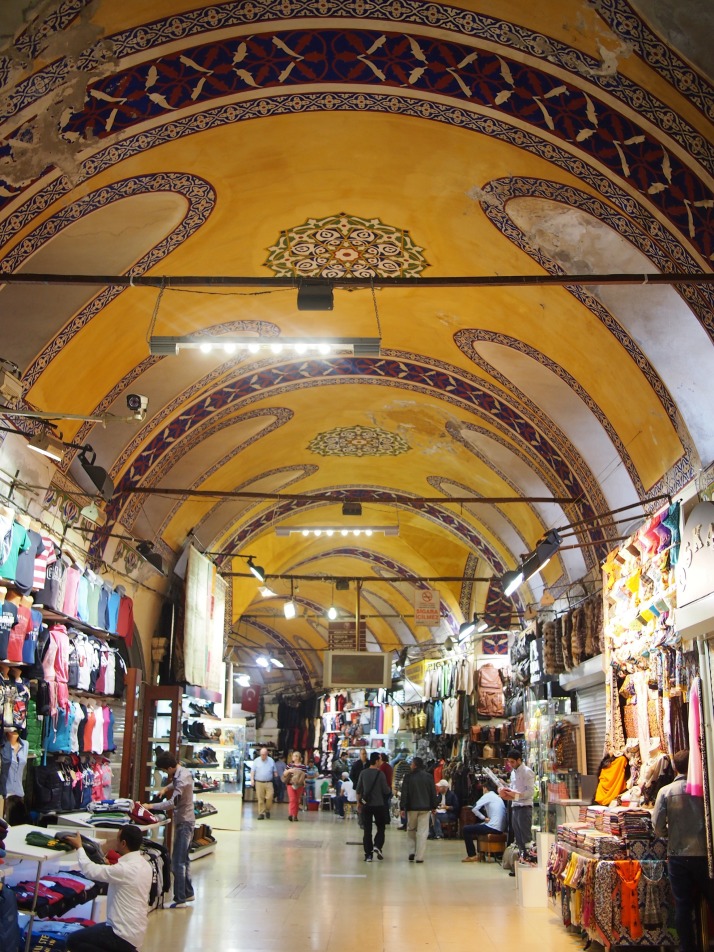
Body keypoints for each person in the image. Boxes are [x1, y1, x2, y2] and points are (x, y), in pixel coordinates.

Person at [652, 749, 714, 952]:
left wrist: (670, 833)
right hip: (705, 856)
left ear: (675, 767)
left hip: (678, 856)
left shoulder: (666, 792)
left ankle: (688, 948)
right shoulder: (706, 788)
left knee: (682, 906)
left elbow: (658, 827)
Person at [64, 824, 152, 951]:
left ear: (123, 843)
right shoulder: (145, 865)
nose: (115, 842)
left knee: (73, 941)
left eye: (117, 839)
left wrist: (79, 847)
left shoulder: (124, 869)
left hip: (120, 934)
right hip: (136, 932)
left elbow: (90, 871)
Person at [150, 751, 195, 907]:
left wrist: (151, 806)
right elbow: (175, 783)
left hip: (184, 823)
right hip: (187, 821)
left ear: (169, 767)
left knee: (177, 862)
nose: (165, 773)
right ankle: (188, 893)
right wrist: (165, 788)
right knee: (184, 860)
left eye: (164, 770)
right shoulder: (182, 772)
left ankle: (180, 899)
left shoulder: (181, 779)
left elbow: (171, 804)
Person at [499, 747, 534, 868]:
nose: (510, 764)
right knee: (518, 838)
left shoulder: (527, 772)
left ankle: (529, 863)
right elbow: (514, 788)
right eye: (509, 762)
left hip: (524, 807)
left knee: (526, 838)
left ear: (519, 760)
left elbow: (530, 793)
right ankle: (521, 864)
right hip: (515, 807)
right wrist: (506, 789)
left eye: (512, 762)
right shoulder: (513, 772)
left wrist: (516, 796)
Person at [400, 756, 438, 864]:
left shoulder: (408, 777)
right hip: (425, 808)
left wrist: (402, 807)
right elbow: (432, 792)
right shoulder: (429, 777)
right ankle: (420, 857)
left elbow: (404, 793)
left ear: (415, 765)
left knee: (411, 829)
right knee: (422, 832)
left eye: (411, 764)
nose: (410, 765)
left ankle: (411, 851)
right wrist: (434, 806)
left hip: (412, 808)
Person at [461, 779, 507, 862]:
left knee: (466, 829)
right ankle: (481, 854)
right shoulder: (496, 796)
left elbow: (474, 808)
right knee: (479, 826)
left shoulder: (488, 795)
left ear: (485, 788)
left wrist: (483, 818)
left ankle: (472, 855)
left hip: (493, 827)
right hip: (500, 827)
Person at [356, 751, 390, 862]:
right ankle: (377, 845)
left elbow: (358, 790)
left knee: (367, 830)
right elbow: (385, 790)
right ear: (376, 761)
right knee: (381, 827)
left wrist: (358, 803)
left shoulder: (363, 773)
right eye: (380, 759)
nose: (381, 761)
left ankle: (368, 855)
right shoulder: (380, 774)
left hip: (366, 806)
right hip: (379, 805)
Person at [250, 747, 277, 819]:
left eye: (264, 755)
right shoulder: (256, 761)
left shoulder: (271, 761)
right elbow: (252, 771)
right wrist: (252, 780)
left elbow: (275, 771)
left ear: (267, 754)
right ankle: (261, 813)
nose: (263, 756)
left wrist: (277, 778)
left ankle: (267, 810)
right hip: (259, 782)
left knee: (270, 797)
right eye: (261, 754)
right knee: (260, 798)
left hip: (269, 782)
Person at [283, 751, 307, 822]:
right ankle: (291, 814)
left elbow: (305, 776)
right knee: (292, 799)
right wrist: (290, 770)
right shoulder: (289, 765)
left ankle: (295, 815)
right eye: (293, 756)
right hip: (290, 784)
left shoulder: (303, 766)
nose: (294, 757)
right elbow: (284, 774)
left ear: (299, 757)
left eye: (296, 756)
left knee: (297, 800)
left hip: (299, 785)